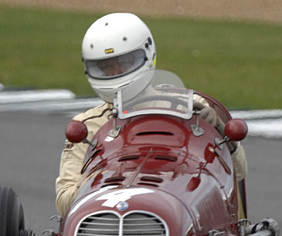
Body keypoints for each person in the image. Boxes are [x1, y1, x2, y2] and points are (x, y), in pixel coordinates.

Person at [55, 12, 247, 216]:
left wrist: (217, 130)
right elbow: (64, 201)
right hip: (108, 221)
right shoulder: (85, 126)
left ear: (147, 55)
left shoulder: (190, 109)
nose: (116, 72)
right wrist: (97, 182)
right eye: (107, 67)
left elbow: (239, 172)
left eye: (125, 62)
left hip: (177, 215)